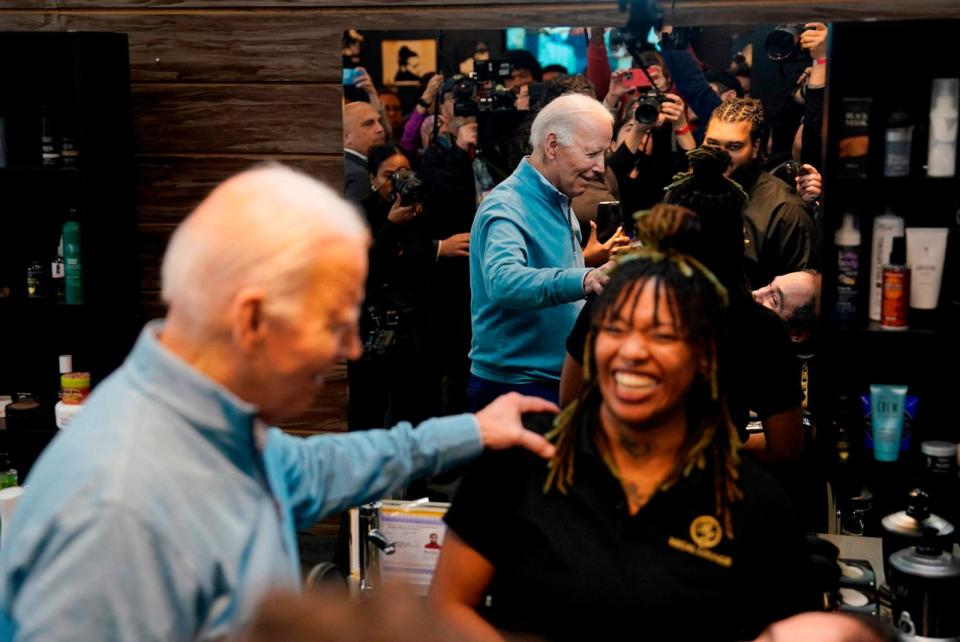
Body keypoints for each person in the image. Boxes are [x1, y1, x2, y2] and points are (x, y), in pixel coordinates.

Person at [0, 164, 558, 642]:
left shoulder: (210, 422)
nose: (351, 347)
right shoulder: (117, 510)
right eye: (334, 323)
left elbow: (307, 471)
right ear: (251, 319)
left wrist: (473, 431)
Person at [431, 249, 813, 641]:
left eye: (661, 334)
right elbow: (448, 605)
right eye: (615, 329)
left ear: (703, 358)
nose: (631, 352)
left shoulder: (752, 501)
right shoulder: (524, 454)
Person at [467, 93, 614, 410]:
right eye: (592, 153)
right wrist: (585, 279)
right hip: (514, 390)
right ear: (552, 146)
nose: (601, 167)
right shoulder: (506, 206)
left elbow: (547, 270)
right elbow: (503, 282)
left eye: (605, 154)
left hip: (551, 382)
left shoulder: (558, 197)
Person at [703, 97, 819, 289]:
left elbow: (800, 299)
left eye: (733, 147)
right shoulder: (685, 193)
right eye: (712, 143)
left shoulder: (785, 210)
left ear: (755, 147)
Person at [343, 100, 385, 204]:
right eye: (368, 124)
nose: (380, 129)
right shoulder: (358, 175)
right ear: (347, 137)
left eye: (379, 121)